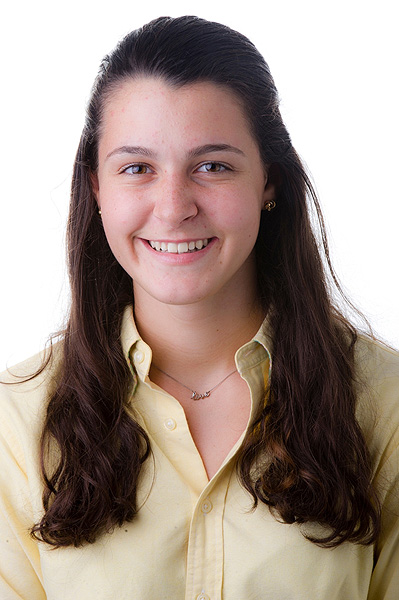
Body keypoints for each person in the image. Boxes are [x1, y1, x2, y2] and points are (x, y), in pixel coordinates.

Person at [0, 15, 398, 600]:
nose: (172, 206)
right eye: (137, 168)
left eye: (212, 165)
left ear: (269, 183)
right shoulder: (16, 422)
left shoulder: (385, 405)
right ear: (96, 189)